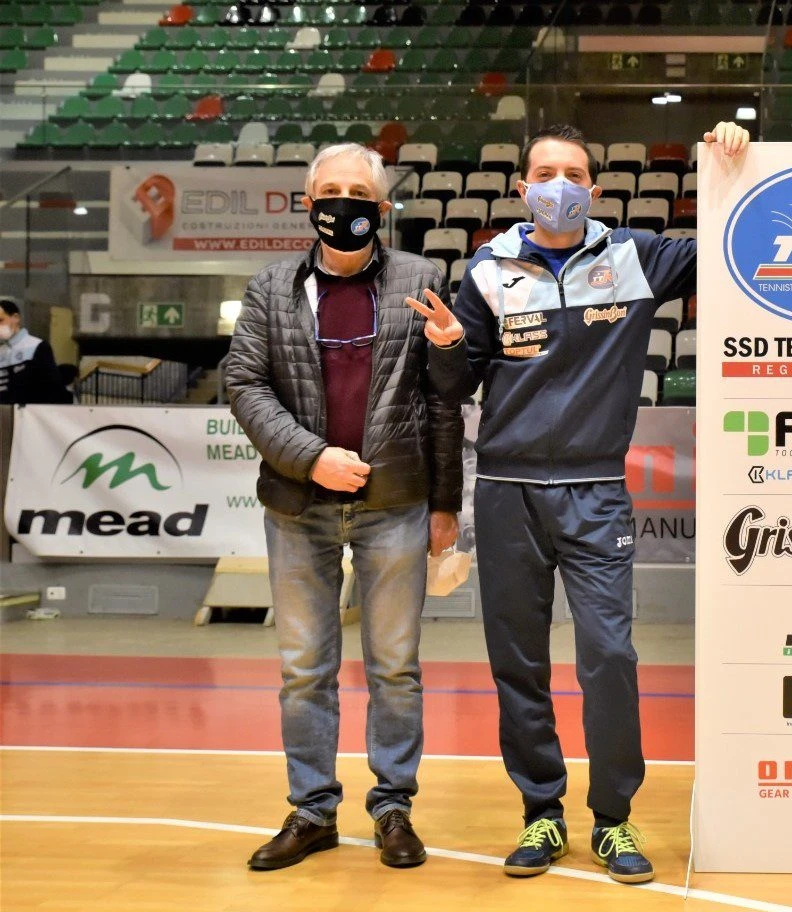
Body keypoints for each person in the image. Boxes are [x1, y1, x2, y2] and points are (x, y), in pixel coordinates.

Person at [406, 121, 749, 884]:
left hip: (595, 493)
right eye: (543, 174)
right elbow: (457, 386)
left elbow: (731, 245)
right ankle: (541, 810)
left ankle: (614, 818)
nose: (557, 185)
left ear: (594, 187)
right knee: (518, 664)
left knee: (609, 657)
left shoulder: (636, 256)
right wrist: (449, 344)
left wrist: (731, 163)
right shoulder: (487, 269)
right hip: (507, 493)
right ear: (520, 188)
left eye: (572, 174)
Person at [223, 143, 464, 872]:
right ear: (309, 203)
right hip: (299, 504)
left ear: (382, 208)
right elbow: (245, 385)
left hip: (397, 503)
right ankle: (312, 811)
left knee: (395, 668)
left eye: (359, 192)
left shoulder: (422, 279)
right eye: (331, 190)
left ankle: (393, 809)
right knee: (304, 668)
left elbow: (445, 397)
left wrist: (446, 504)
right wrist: (310, 457)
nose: (344, 203)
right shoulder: (271, 287)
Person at [0, 298, 73, 404]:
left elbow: (52, 387)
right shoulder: (1, 352)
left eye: (1, 320)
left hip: (31, 410)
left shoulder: (37, 346)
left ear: (15, 318)